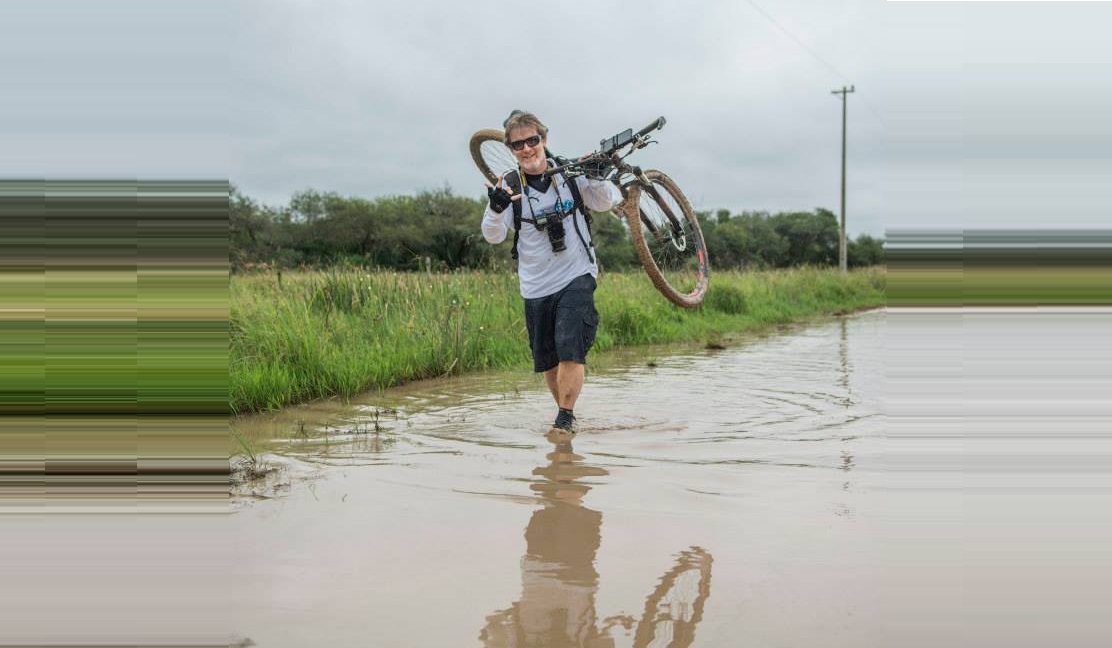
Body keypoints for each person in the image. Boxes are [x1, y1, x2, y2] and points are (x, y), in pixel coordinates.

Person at [482, 110, 622, 433]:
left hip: (576, 273)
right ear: (511, 149)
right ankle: (566, 413)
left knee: (570, 343)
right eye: (518, 145)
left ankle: (564, 421)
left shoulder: (570, 173)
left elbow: (606, 201)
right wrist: (496, 206)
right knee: (549, 360)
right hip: (535, 286)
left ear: (544, 140)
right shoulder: (509, 186)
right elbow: (493, 235)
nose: (527, 149)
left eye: (533, 140)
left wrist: (598, 175)